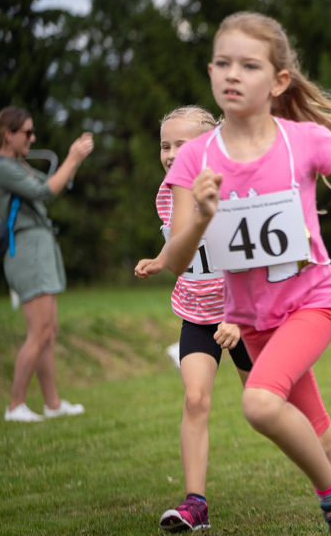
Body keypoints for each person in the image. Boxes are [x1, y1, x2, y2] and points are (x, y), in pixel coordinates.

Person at [161, 12, 331, 536]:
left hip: (312, 303)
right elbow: (176, 262)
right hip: (253, 320)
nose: (232, 74)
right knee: (322, 438)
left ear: (279, 81)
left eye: (248, 64)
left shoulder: (303, 141)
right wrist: (200, 215)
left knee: (260, 403)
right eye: (222, 63)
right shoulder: (194, 157)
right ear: (210, 71)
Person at [133, 106, 258, 532]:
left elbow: (253, 259)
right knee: (195, 400)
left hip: (243, 318)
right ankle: (195, 504)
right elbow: (182, 243)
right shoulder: (166, 194)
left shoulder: (232, 189)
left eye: (180, 145)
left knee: (269, 408)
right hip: (197, 315)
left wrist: (238, 317)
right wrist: (160, 258)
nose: (170, 154)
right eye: (165, 145)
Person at [0, 106, 92, 423]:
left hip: (38, 245)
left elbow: (57, 183)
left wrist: (72, 164)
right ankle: (15, 406)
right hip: (25, 249)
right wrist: (74, 158)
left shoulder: (18, 165)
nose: (32, 137)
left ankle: (52, 404)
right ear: (8, 134)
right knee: (38, 332)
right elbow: (44, 191)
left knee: (48, 332)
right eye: (27, 131)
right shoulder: (2, 167)